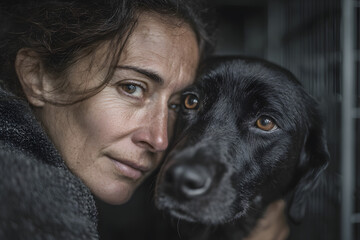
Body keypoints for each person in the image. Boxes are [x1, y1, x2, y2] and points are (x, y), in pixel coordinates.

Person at [0, 0, 289, 239]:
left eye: (180, 104)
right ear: (38, 77)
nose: (160, 140)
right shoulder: (19, 189)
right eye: (132, 88)